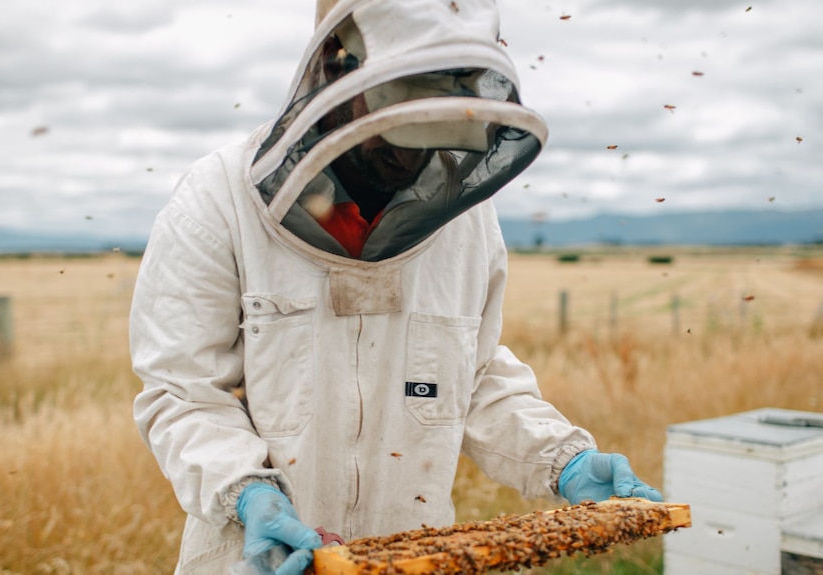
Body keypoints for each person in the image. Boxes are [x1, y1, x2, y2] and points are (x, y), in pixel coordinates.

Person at [130, 1, 662, 574]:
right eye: (398, 124)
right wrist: (246, 492)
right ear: (338, 73)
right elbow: (181, 392)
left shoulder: (467, 222)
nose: (411, 152)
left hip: (413, 557)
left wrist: (562, 458)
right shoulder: (218, 200)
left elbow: (472, 374)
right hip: (257, 557)